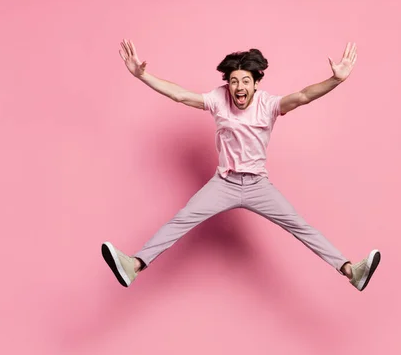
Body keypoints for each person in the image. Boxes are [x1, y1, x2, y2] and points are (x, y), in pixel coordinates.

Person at [101, 38, 381, 292]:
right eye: (234, 81)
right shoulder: (218, 99)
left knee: (301, 226)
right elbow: (180, 95)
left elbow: (303, 96)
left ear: (256, 83)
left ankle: (350, 271)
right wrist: (142, 75)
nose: (239, 87)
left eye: (245, 81)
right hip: (224, 184)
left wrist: (336, 80)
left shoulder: (268, 104)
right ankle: (134, 266)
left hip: (259, 186)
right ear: (228, 84)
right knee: (181, 220)